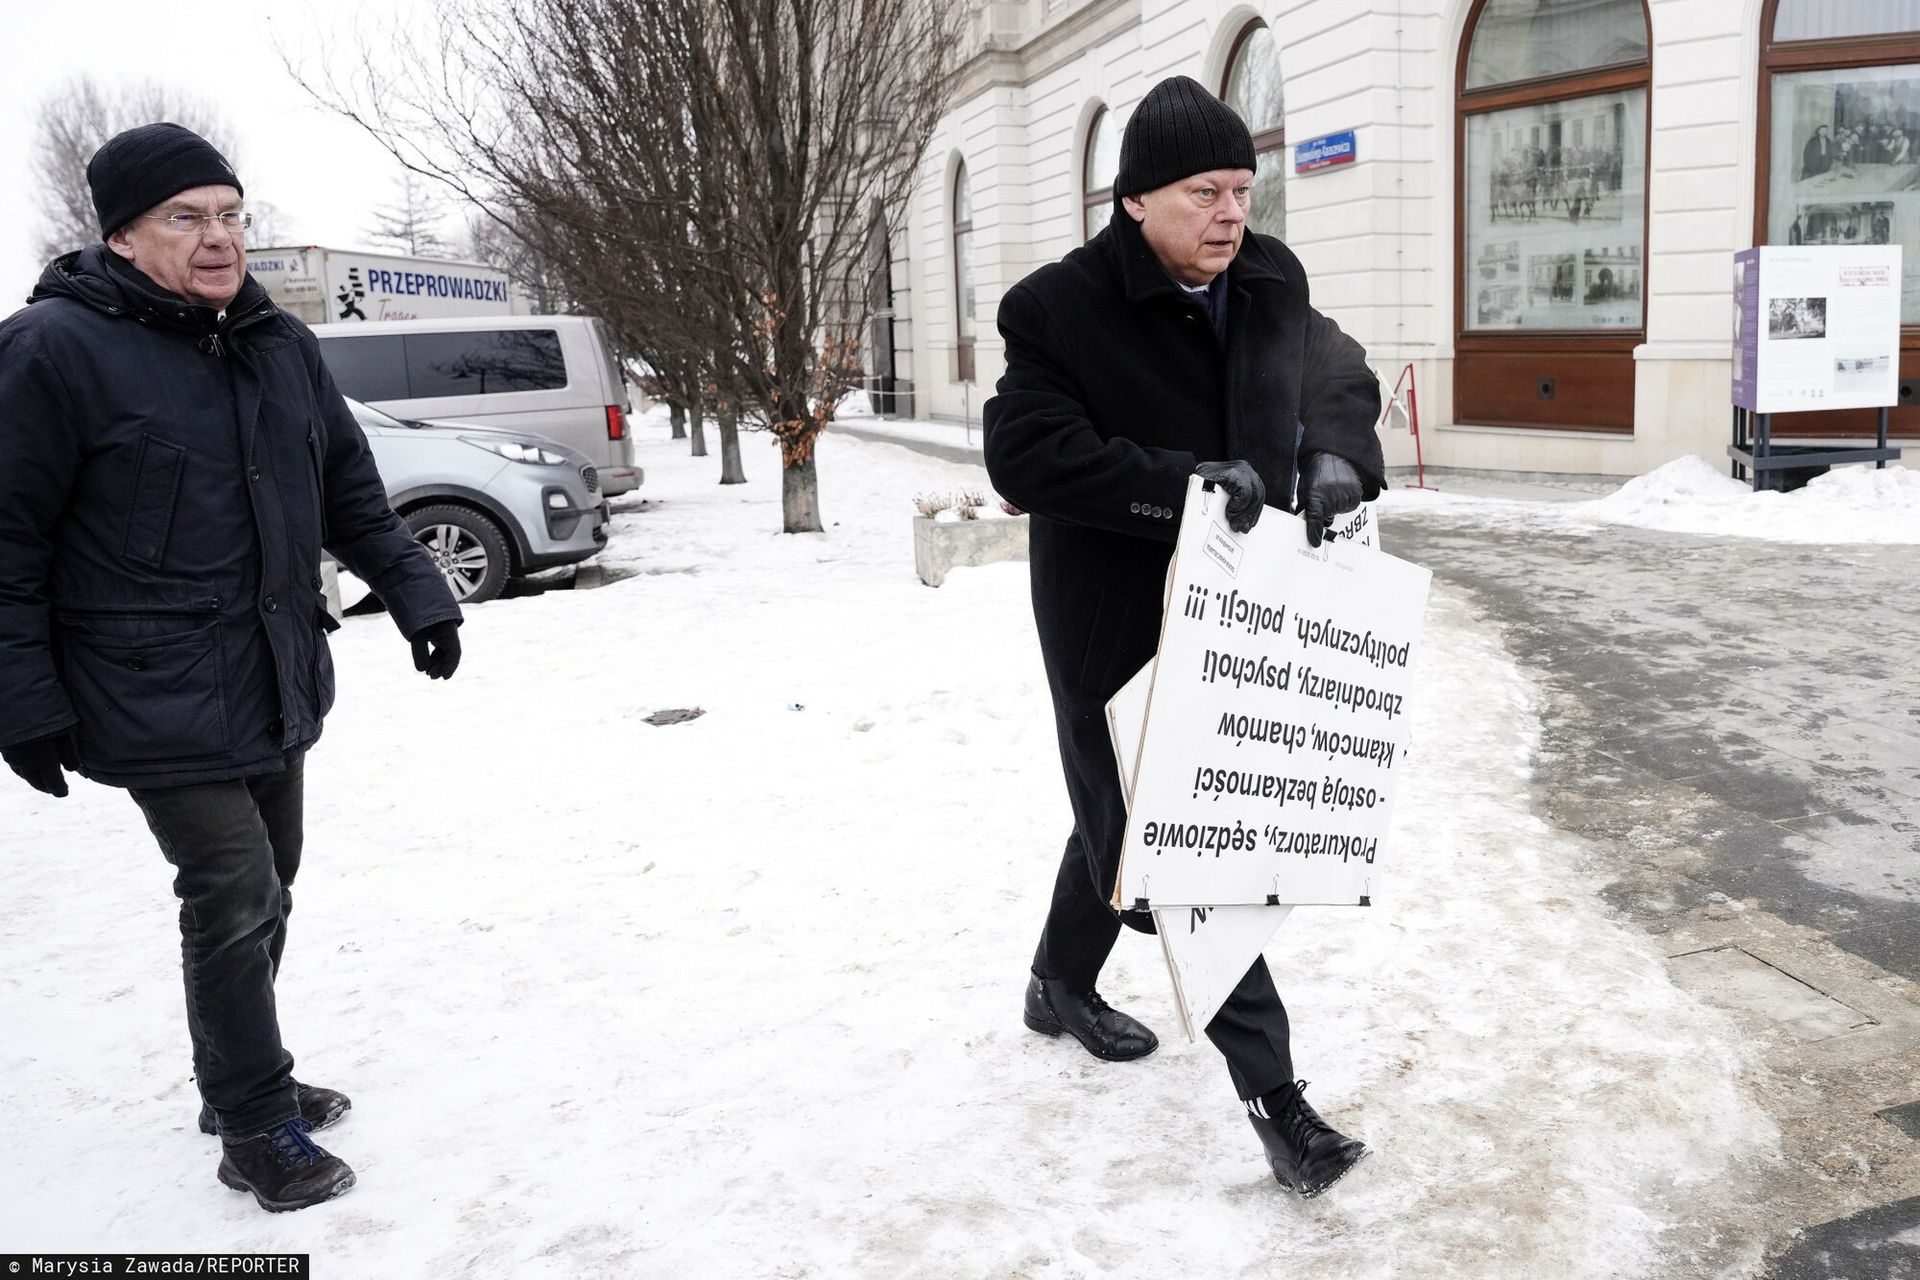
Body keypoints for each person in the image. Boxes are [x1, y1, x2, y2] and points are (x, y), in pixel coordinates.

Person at [0, 124, 465, 1213]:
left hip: (272, 666)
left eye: (230, 215)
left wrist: (419, 593)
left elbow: (349, 489)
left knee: (270, 884)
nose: (219, 239)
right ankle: (255, 1120)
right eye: (186, 218)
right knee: (234, 887)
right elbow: (6, 543)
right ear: (122, 236)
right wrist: (20, 701)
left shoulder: (274, 341)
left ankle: (239, 1075)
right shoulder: (49, 350)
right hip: (145, 683)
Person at [983, 76, 1384, 1199]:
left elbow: (1335, 364)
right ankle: (1283, 1109)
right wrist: (1185, 486)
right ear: (1136, 200)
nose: (1231, 212)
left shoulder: (1268, 275)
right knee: (1179, 842)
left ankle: (1057, 982)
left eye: (1243, 188)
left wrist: (1339, 448)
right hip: (1113, 614)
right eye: (1205, 191)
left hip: (1243, 608)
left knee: (1123, 819)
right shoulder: (1055, 308)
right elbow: (1026, 454)